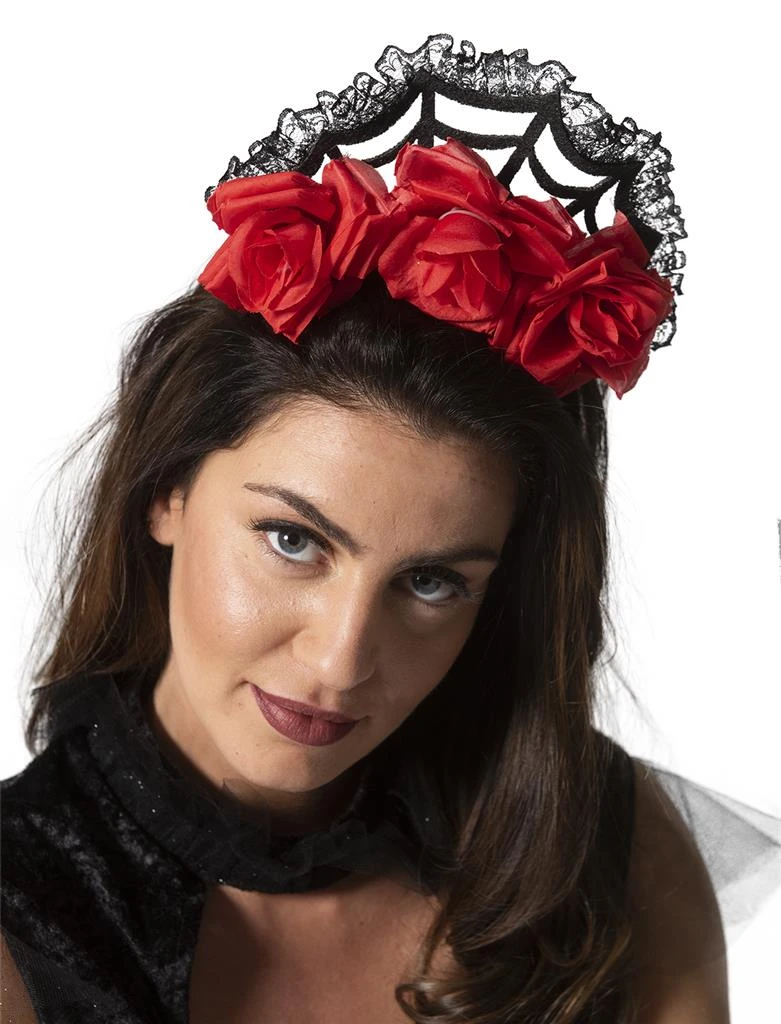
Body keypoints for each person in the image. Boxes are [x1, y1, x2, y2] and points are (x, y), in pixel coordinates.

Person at [1, 33, 771, 1024]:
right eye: (293, 541)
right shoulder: (21, 916)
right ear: (166, 493)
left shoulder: (605, 858)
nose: (341, 660)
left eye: (430, 582)